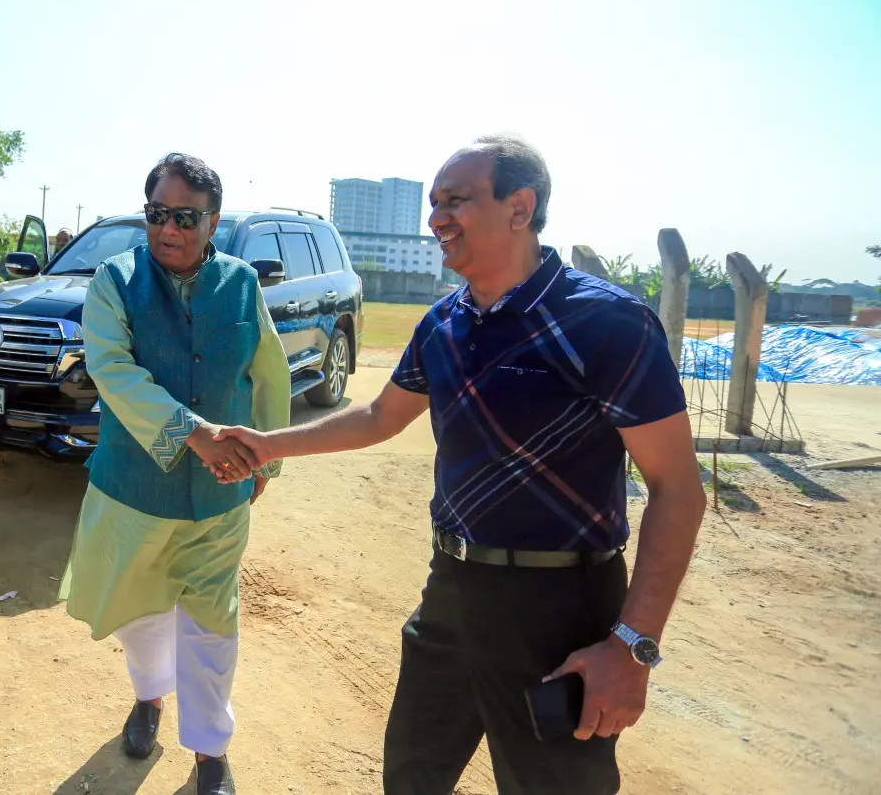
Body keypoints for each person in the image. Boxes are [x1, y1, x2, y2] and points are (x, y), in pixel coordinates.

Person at [215, 135, 706, 794]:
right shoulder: (443, 323)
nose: (436, 218)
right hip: (451, 591)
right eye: (434, 203)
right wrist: (269, 444)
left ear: (520, 207)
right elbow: (379, 416)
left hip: (560, 609)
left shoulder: (608, 324)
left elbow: (678, 490)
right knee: (411, 777)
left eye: (456, 200)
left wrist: (632, 646)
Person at [58, 153, 290, 795]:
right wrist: (196, 433)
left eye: (186, 217)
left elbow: (268, 371)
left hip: (220, 496)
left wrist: (266, 459)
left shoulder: (241, 284)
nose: (168, 229)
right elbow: (113, 370)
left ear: (213, 220)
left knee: (212, 623)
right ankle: (148, 697)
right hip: (134, 490)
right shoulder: (115, 279)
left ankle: (211, 750)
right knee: (141, 615)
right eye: (158, 213)